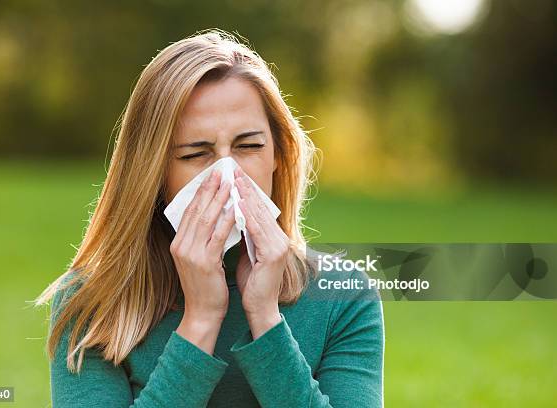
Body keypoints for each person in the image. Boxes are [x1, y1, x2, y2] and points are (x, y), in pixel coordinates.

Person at [35, 29, 384, 407]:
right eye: (194, 154)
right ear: (151, 173)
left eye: (248, 146)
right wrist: (199, 322)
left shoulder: (344, 296)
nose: (226, 174)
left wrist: (266, 320)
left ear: (279, 155)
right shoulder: (94, 302)